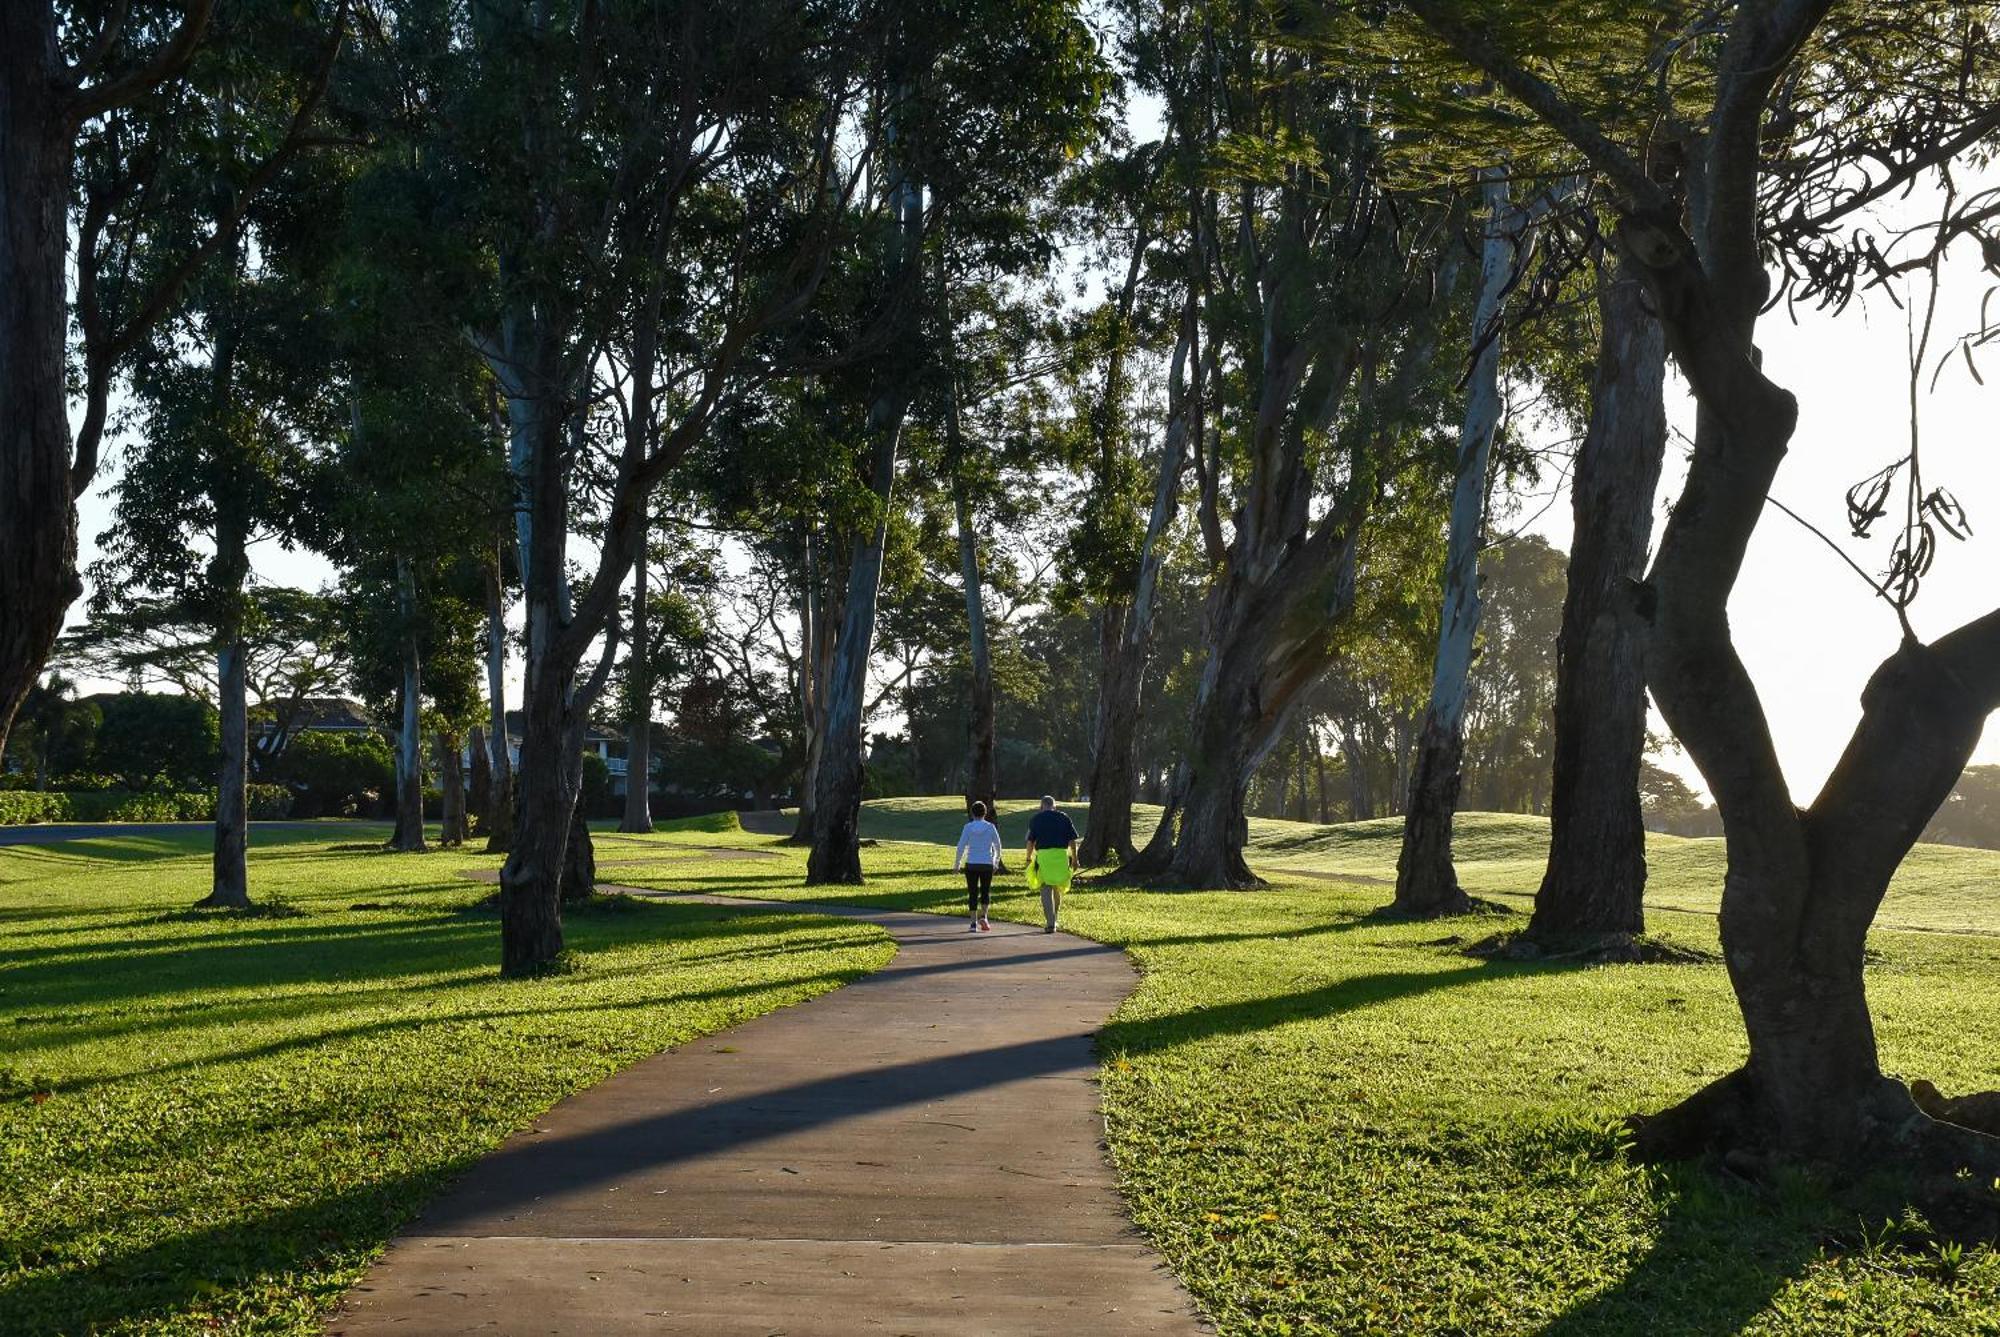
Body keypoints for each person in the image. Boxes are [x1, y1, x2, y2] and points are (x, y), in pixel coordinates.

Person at [1024, 794, 1079, 933]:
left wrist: (1028, 857)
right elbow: (1073, 841)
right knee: (1057, 887)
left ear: (1041, 806)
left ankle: (1050, 922)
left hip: (1044, 857)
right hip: (1061, 856)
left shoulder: (1036, 819)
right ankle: (1055, 918)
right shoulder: (1064, 817)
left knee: (1045, 888)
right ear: (1054, 806)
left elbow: (1030, 841)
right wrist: (1075, 858)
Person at [953, 800, 1002, 932]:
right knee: (985, 891)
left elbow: (961, 846)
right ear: (985, 813)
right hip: (986, 863)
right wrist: (995, 861)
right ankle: (984, 916)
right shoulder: (990, 827)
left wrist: (957, 864)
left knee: (972, 892)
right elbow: (997, 845)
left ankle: (973, 923)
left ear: (972, 813)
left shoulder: (968, 827)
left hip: (972, 864)